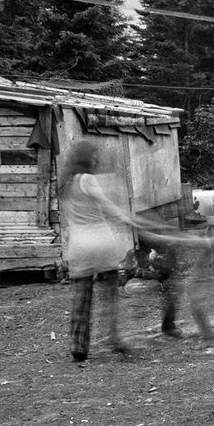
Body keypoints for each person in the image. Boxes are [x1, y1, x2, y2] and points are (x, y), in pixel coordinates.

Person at [61, 140, 136, 362]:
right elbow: (106, 204)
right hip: (102, 244)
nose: (96, 159)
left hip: (79, 246)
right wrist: (128, 218)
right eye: (94, 155)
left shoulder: (65, 184)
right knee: (110, 295)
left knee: (81, 298)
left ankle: (78, 345)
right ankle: (115, 338)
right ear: (86, 158)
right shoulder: (88, 180)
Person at [140, 213, 214, 343]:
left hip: (201, 274)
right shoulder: (197, 239)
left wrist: (148, 234)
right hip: (197, 273)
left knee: (196, 305)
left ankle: (208, 338)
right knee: (192, 304)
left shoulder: (202, 241)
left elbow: (170, 239)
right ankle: (206, 337)